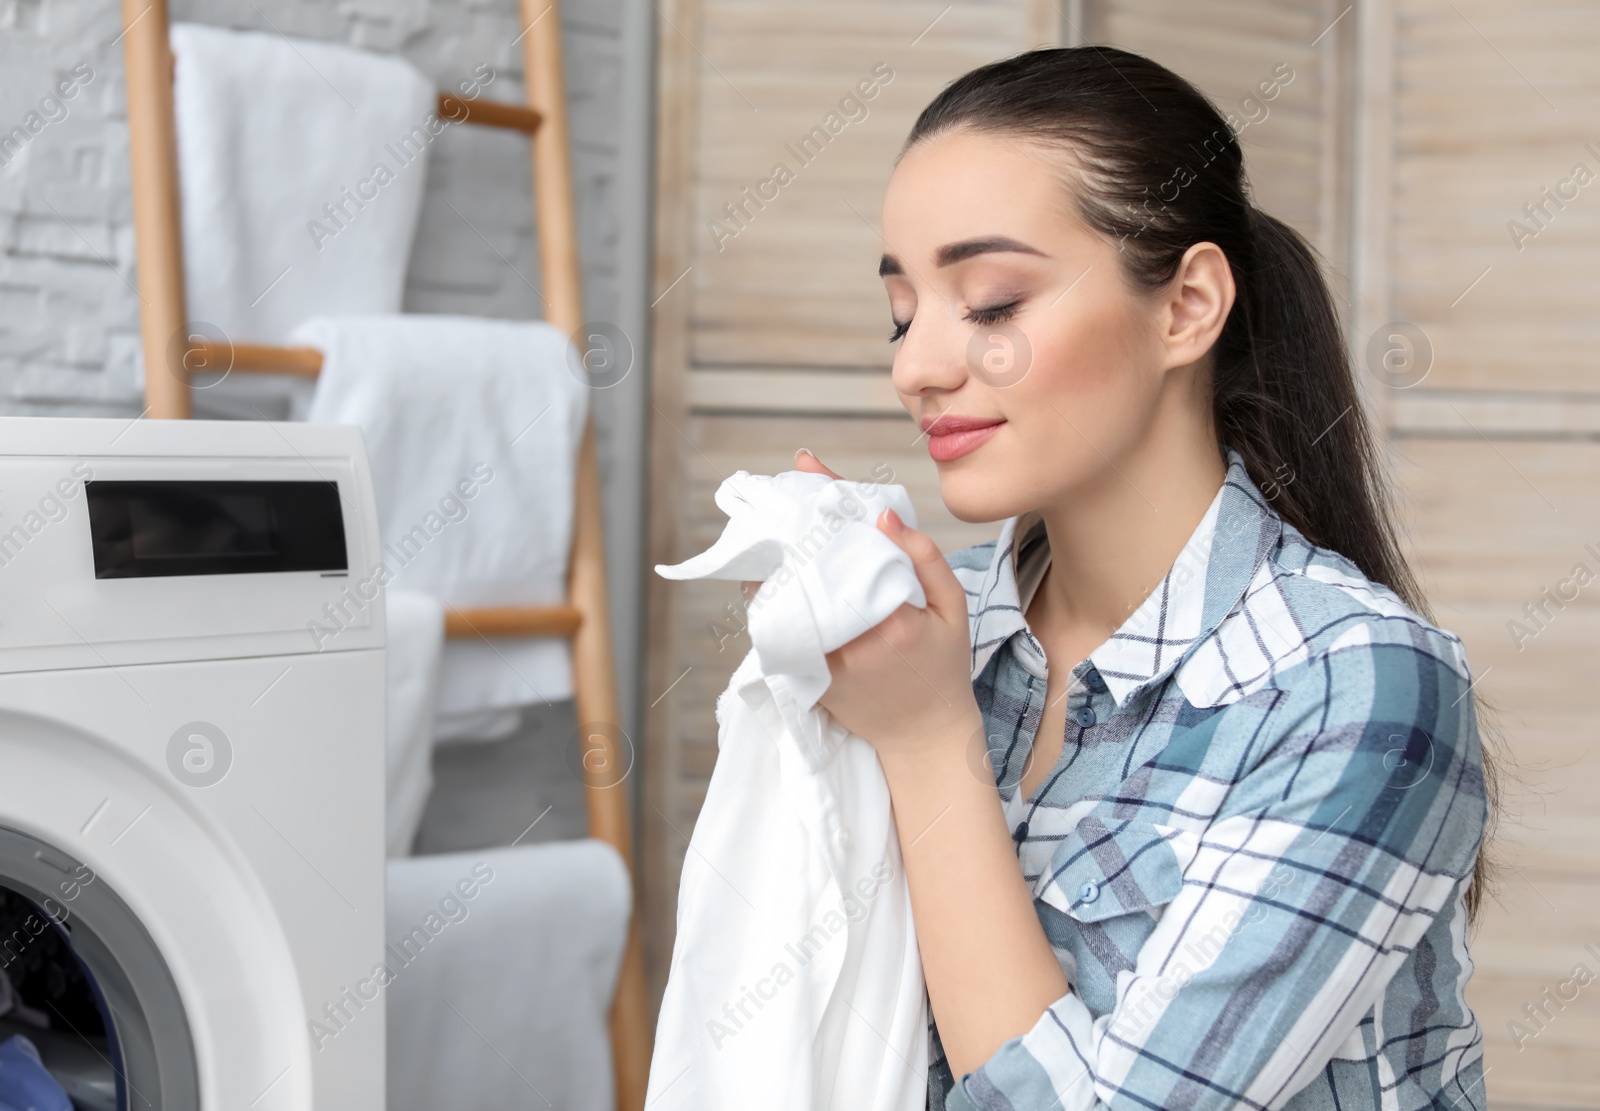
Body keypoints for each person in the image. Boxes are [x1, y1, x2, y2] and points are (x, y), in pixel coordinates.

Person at [785, 46, 1497, 1111]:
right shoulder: (911, 636)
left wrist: (928, 744)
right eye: (902, 311)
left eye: (989, 303)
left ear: (1185, 306)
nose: (913, 367)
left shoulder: (1352, 690)